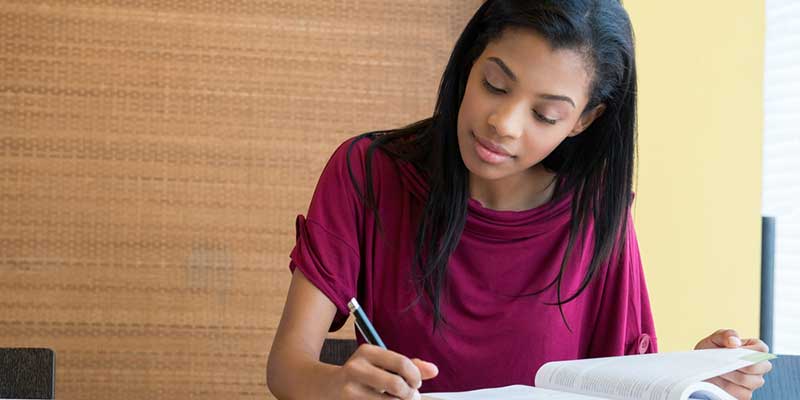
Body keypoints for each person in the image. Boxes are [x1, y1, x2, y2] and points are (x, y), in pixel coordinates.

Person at [266, 1, 772, 399]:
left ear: (583, 121)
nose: (502, 124)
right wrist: (334, 387)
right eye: (495, 84)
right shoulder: (369, 174)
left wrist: (696, 376)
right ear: (470, 61)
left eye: (546, 115)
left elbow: (625, 383)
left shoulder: (597, 215)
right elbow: (287, 368)